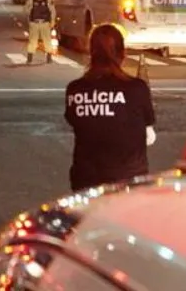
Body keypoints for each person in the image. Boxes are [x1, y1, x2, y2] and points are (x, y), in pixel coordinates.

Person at [65, 24, 156, 192]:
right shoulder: (136, 88)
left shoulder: (75, 89)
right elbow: (149, 134)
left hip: (86, 179)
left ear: (91, 52)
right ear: (123, 53)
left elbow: (75, 122)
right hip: (130, 179)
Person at [25, 0, 56, 64]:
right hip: (34, 23)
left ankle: (49, 58)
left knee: (47, 41)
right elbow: (25, 9)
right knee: (32, 41)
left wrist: (52, 21)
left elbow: (52, 11)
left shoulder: (48, 0)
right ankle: (29, 59)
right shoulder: (31, 0)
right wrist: (29, 15)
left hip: (45, 23)